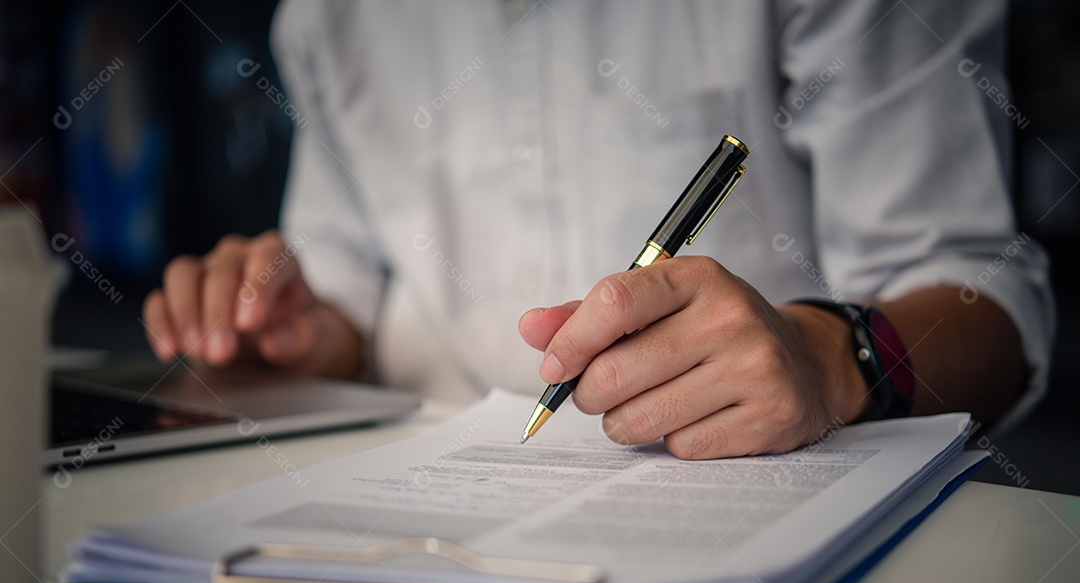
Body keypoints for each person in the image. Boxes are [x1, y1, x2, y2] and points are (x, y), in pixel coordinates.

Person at [142, 0, 1053, 459]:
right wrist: (296, 329)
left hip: (755, 516)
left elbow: (988, 302)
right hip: (420, 524)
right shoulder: (327, 17)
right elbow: (348, 277)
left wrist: (830, 355)